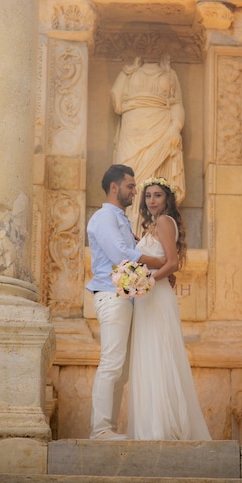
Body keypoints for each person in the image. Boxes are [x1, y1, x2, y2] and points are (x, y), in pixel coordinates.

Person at [127, 176, 211, 440]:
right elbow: (157, 257)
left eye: (157, 195)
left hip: (155, 294)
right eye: (148, 196)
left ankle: (162, 427)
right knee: (149, 354)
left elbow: (172, 263)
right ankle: (151, 425)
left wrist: (146, 282)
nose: (152, 200)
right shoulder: (154, 226)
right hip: (148, 297)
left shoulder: (164, 222)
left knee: (159, 354)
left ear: (167, 199)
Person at [86, 164, 165, 440]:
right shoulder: (104, 217)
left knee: (122, 370)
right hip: (111, 294)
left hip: (127, 297)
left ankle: (109, 429)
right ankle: (100, 428)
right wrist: (161, 262)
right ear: (114, 187)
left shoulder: (119, 219)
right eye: (130, 186)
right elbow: (121, 254)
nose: (135, 191)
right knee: (112, 362)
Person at [111, 54, 185, 233]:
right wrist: (125, 71)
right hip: (131, 130)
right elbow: (117, 102)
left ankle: (152, 231)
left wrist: (175, 127)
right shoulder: (129, 72)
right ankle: (126, 231)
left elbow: (177, 104)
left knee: (153, 181)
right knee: (127, 180)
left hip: (160, 128)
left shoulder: (170, 74)